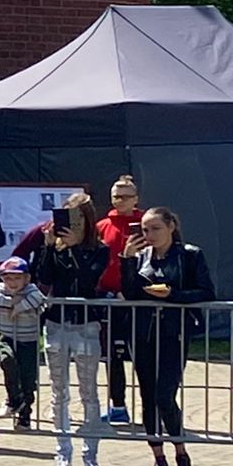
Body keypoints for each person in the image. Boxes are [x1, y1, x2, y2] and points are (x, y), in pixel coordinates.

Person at [122, 206, 215, 466]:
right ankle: (158, 458)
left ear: (171, 226)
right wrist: (126, 260)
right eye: (145, 229)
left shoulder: (189, 255)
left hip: (174, 333)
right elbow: (129, 293)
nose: (149, 235)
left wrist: (173, 295)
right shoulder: (141, 257)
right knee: (148, 396)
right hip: (143, 333)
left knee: (165, 395)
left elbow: (206, 292)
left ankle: (181, 453)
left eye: (155, 228)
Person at [28, 194, 109, 466]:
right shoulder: (56, 248)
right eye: (67, 217)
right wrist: (50, 247)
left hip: (86, 324)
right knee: (58, 391)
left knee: (89, 393)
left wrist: (74, 248)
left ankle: (91, 456)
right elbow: (44, 278)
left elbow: (90, 280)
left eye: (78, 218)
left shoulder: (99, 249)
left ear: (87, 220)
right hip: (57, 322)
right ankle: (63, 453)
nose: (72, 225)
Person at [96, 176, 143, 424]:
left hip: (140, 302)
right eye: (116, 196)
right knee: (112, 356)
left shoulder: (148, 224)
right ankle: (118, 406)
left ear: (136, 199)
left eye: (126, 196)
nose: (120, 200)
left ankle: (153, 406)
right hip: (109, 301)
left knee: (143, 355)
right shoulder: (102, 225)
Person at [0, 257, 48, 431]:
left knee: (27, 378)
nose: (12, 283)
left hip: (29, 340)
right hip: (7, 336)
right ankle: (13, 400)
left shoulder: (31, 290)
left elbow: (38, 300)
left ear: (27, 278)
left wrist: (19, 307)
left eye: (17, 278)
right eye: (8, 278)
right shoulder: (0, 289)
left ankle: (24, 416)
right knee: (6, 361)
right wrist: (11, 302)